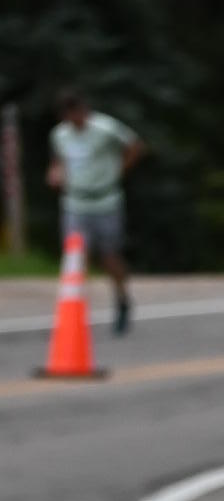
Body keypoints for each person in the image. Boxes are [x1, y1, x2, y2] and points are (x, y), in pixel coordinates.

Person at [49, 85, 143, 334]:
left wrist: (119, 171)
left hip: (105, 200)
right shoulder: (60, 135)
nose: (74, 118)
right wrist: (56, 173)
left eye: (76, 112)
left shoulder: (105, 128)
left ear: (84, 109)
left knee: (110, 255)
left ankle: (122, 300)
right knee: (75, 257)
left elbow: (135, 145)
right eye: (68, 114)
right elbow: (59, 160)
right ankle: (75, 313)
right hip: (75, 202)